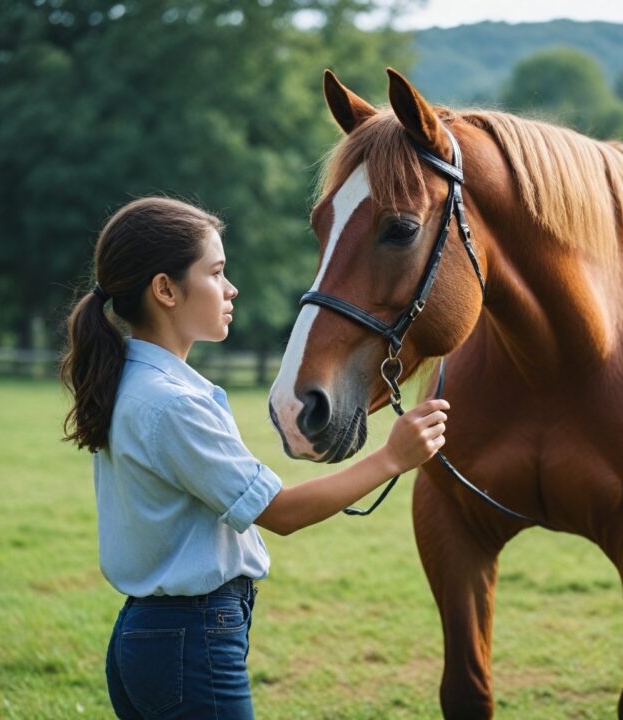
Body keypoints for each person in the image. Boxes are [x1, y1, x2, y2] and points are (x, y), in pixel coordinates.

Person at [60, 197, 449, 719]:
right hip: (191, 641)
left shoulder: (137, 384)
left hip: (156, 640)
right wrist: (392, 457)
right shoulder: (172, 404)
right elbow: (280, 512)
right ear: (165, 289)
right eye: (216, 272)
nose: (231, 288)